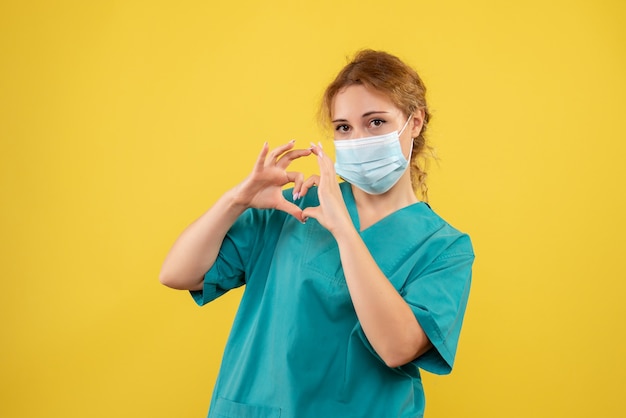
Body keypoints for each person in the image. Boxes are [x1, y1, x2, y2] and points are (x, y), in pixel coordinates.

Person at [160, 49, 474, 418]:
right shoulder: (295, 206)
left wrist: (344, 230)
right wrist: (237, 199)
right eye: (344, 127)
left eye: (375, 123)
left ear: (414, 122)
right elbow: (177, 274)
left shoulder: (444, 248)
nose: (358, 138)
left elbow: (397, 347)